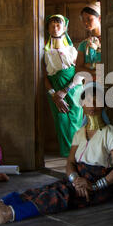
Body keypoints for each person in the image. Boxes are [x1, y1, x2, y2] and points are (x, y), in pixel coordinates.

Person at [0, 82, 113, 224]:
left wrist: (93, 186)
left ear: (104, 105)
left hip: (97, 186)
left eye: (97, 101)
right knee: (42, 190)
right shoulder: (79, 133)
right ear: (82, 104)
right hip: (77, 179)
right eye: (88, 101)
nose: (92, 106)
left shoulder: (110, 133)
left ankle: (9, 213)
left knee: (58, 196)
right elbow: (70, 162)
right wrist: (75, 179)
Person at [44, 14, 84, 158]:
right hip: (55, 90)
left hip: (73, 87)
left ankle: (77, 153)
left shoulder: (72, 50)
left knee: (75, 120)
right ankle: (66, 153)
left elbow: (80, 72)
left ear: (65, 27)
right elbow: (44, 76)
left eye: (58, 25)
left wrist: (66, 90)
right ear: (48, 29)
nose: (55, 28)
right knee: (61, 120)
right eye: (52, 25)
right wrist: (54, 94)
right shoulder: (45, 51)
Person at [76, 2, 102, 80]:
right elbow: (78, 68)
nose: (85, 22)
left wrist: (87, 67)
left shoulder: (109, 40)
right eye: (83, 20)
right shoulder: (84, 44)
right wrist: (95, 72)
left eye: (89, 19)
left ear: (99, 18)